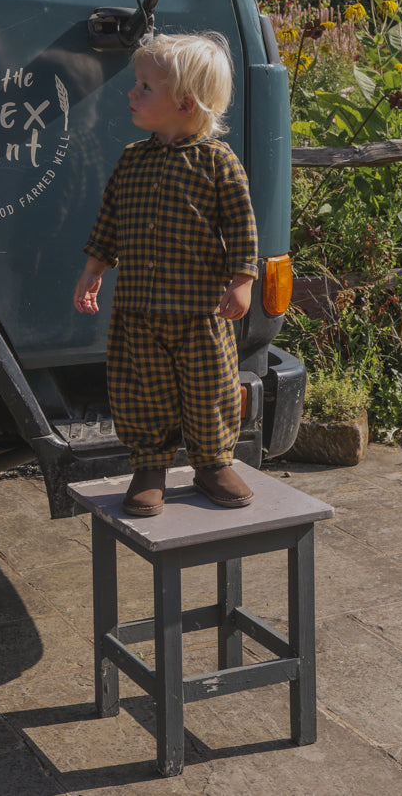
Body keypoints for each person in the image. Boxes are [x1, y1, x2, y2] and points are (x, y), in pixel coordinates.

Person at [73, 31, 258, 517]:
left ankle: (213, 462)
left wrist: (242, 280)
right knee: (142, 389)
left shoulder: (218, 162)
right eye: (137, 85)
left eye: (144, 87)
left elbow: (241, 224)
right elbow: (109, 218)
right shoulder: (132, 160)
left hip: (198, 311)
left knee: (209, 389)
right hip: (138, 310)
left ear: (185, 102)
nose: (131, 94)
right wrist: (95, 267)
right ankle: (150, 466)